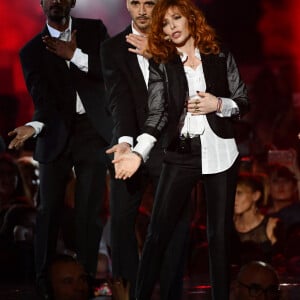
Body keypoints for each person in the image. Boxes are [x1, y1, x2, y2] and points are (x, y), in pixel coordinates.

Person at [108, 0, 250, 299]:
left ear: (192, 19)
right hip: (181, 153)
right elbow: (157, 114)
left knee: (218, 236)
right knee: (158, 232)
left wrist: (219, 104)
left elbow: (243, 101)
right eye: (165, 23)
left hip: (220, 151)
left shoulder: (219, 55)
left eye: (176, 19)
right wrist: (137, 152)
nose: (170, 27)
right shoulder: (164, 63)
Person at [7, 0, 112, 298]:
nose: (55, 1)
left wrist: (75, 55)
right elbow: (44, 102)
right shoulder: (31, 51)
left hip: (93, 130)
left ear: (72, 1)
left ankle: (86, 281)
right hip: (54, 130)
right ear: (42, 3)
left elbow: (110, 73)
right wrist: (34, 126)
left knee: (89, 212)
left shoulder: (94, 31)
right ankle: (44, 285)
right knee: (48, 211)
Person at [101, 1, 189, 299]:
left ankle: (170, 292)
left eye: (149, 2)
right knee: (121, 221)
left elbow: (190, 88)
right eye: (134, 2)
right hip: (130, 143)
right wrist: (126, 142)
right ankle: (128, 292)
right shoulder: (112, 48)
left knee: (173, 224)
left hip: (173, 144)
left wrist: (160, 55)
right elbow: (119, 100)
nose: (141, 9)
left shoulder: (181, 42)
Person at [232, 172, 284, 265]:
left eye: (239, 193)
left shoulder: (272, 226)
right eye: (232, 193)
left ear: (255, 196)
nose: (234, 198)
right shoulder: (228, 225)